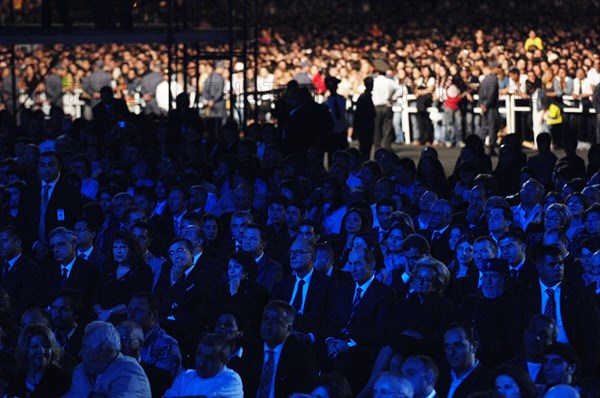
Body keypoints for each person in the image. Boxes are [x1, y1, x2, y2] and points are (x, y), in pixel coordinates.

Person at [235, 300, 318, 397]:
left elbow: (303, 391)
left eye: (275, 321)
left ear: (289, 329)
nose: (268, 325)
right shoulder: (252, 347)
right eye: (265, 319)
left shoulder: (302, 354)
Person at [271, 238, 334, 344]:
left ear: (312, 257)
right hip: (281, 338)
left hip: (310, 342)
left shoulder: (327, 285)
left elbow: (328, 320)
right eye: (291, 252)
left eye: (299, 252)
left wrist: (310, 337)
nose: (293, 256)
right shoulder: (281, 286)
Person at [63, 321, 150, 397]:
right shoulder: (82, 371)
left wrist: (88, 393)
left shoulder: (130, 370)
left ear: (101, 350)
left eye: (85, 347)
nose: (80, 353)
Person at [164, 333, 243, 398]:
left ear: (224, 360)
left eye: (210, 358)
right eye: (200, 355)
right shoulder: (185, 376)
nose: (202, 362)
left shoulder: (231, 379)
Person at [6, 324, 71, 398]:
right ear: (25, 349)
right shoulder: (16, 379)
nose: (41, 351)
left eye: (46, 346)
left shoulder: (61, 380)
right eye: (34, 347)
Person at [127, 292, 182, 378]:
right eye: (129, 310)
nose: (131, 315)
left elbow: (161, 384)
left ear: (153, 316)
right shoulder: (123, 338)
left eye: (138, 310)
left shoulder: (166, 346)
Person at [117, 320, 173, 398]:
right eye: (117, 340)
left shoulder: (160, 377)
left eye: (125, 339)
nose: (119, 345)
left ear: (140, 343)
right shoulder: (106, 372)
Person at [437, 323, 495, 398]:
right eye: (447, 346)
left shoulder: (488, 383)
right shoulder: (439, 379)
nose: (451, 352)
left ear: (474, 347)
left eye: (457, 345)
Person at [0, 226, 41, 320]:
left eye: (4, 241)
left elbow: (26, 302)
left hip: (14, 321)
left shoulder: (30, 268)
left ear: (17, 242)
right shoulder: (1, 264)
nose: (0, 245)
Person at [478, 63, 500, 156]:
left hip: (485, 104)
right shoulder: (493, 79)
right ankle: (491, 147)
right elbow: (492, 93)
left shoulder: (484, 80)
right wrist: (486, 104)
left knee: (485, 126)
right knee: (492, 126)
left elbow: (480, 93)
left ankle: (478, 145)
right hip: (491, 106)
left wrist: (482, 104)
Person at [354, 76, 376, 161]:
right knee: (364, 148)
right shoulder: (364, 98)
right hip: (365, 127)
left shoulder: (366, 97)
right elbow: (360, 114)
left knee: (366, 148)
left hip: (366, 126)